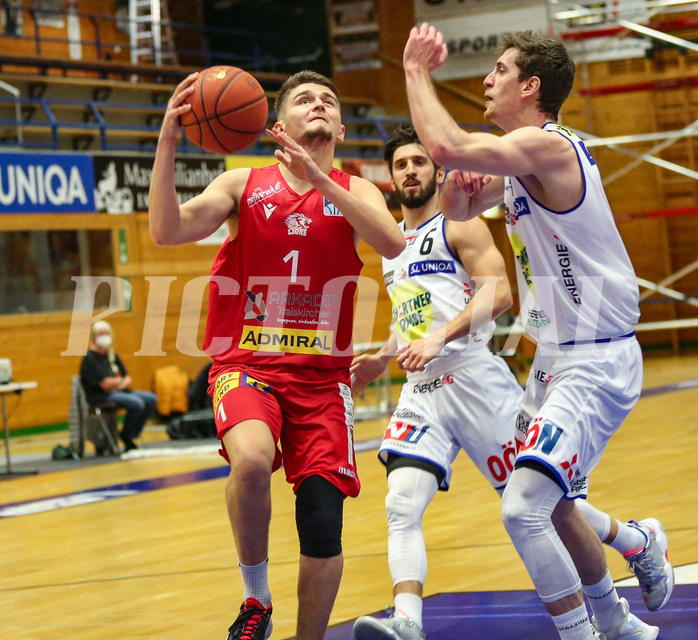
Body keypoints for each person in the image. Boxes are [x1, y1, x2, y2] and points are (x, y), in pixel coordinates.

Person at [399, 24, 675, 640]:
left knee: (524, 507)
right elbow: (458, 211)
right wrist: (459, 184)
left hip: (596, 360)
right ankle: (627, 579)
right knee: (557, 503)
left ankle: (584, 633)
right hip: (551, 361)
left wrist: (417, 72)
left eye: (498, 70)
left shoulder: (551, 149)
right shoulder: (522, 164)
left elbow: (445, 145)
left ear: (530, 86)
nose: (486, 80)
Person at [148, 70, 405, 640]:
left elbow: (391, 243)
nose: (319, 105)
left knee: (321, 522)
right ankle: (256, 598)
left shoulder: (358, 190)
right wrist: (167, 140)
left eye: (329, 101)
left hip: (321, 381)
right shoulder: (242, 184)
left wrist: (319, 178)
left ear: (339, 125)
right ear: (277, 123)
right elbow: (167, 230)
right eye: (304, 99)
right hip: (248, 366)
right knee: (251, 460)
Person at [79, 320, 158, 452]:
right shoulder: (90, 359)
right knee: (136, 403)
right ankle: (126, 437)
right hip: (102, 397)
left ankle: (131, 434)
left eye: (106, 333)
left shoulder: (112, 355)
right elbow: (105, 385)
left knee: (151, 399)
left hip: (119, 392)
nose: (104, 336)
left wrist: (117, 382)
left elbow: (127, 378)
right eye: (100, 334)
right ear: (94, 337)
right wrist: (118, 382)